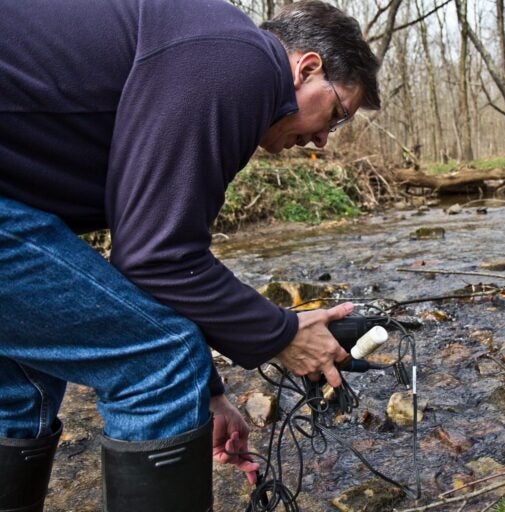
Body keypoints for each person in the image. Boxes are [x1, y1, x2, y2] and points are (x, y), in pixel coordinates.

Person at [0, 0, 380, 510]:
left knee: (22, 387)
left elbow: (150, 260)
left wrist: (210, 392)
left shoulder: (209, 62)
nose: (321, 140)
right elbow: (156, 258)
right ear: (306, 67)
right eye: (334, 114)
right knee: (160, 364)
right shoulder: (240, 61)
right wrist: (283, 334)